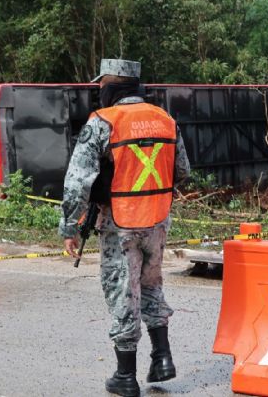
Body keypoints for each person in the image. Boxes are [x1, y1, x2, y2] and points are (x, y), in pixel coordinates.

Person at [59, 58, 191, 397]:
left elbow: (77, 182)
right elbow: (184, 171)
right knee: (151, 286)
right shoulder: (165, 120)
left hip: (121, 222)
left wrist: (69, 227)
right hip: (157, 221)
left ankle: (126, 376)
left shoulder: (103, 121)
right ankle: (162, 359)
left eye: (101, 85)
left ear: (112, 86)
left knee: (122, 291)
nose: (99, 91)